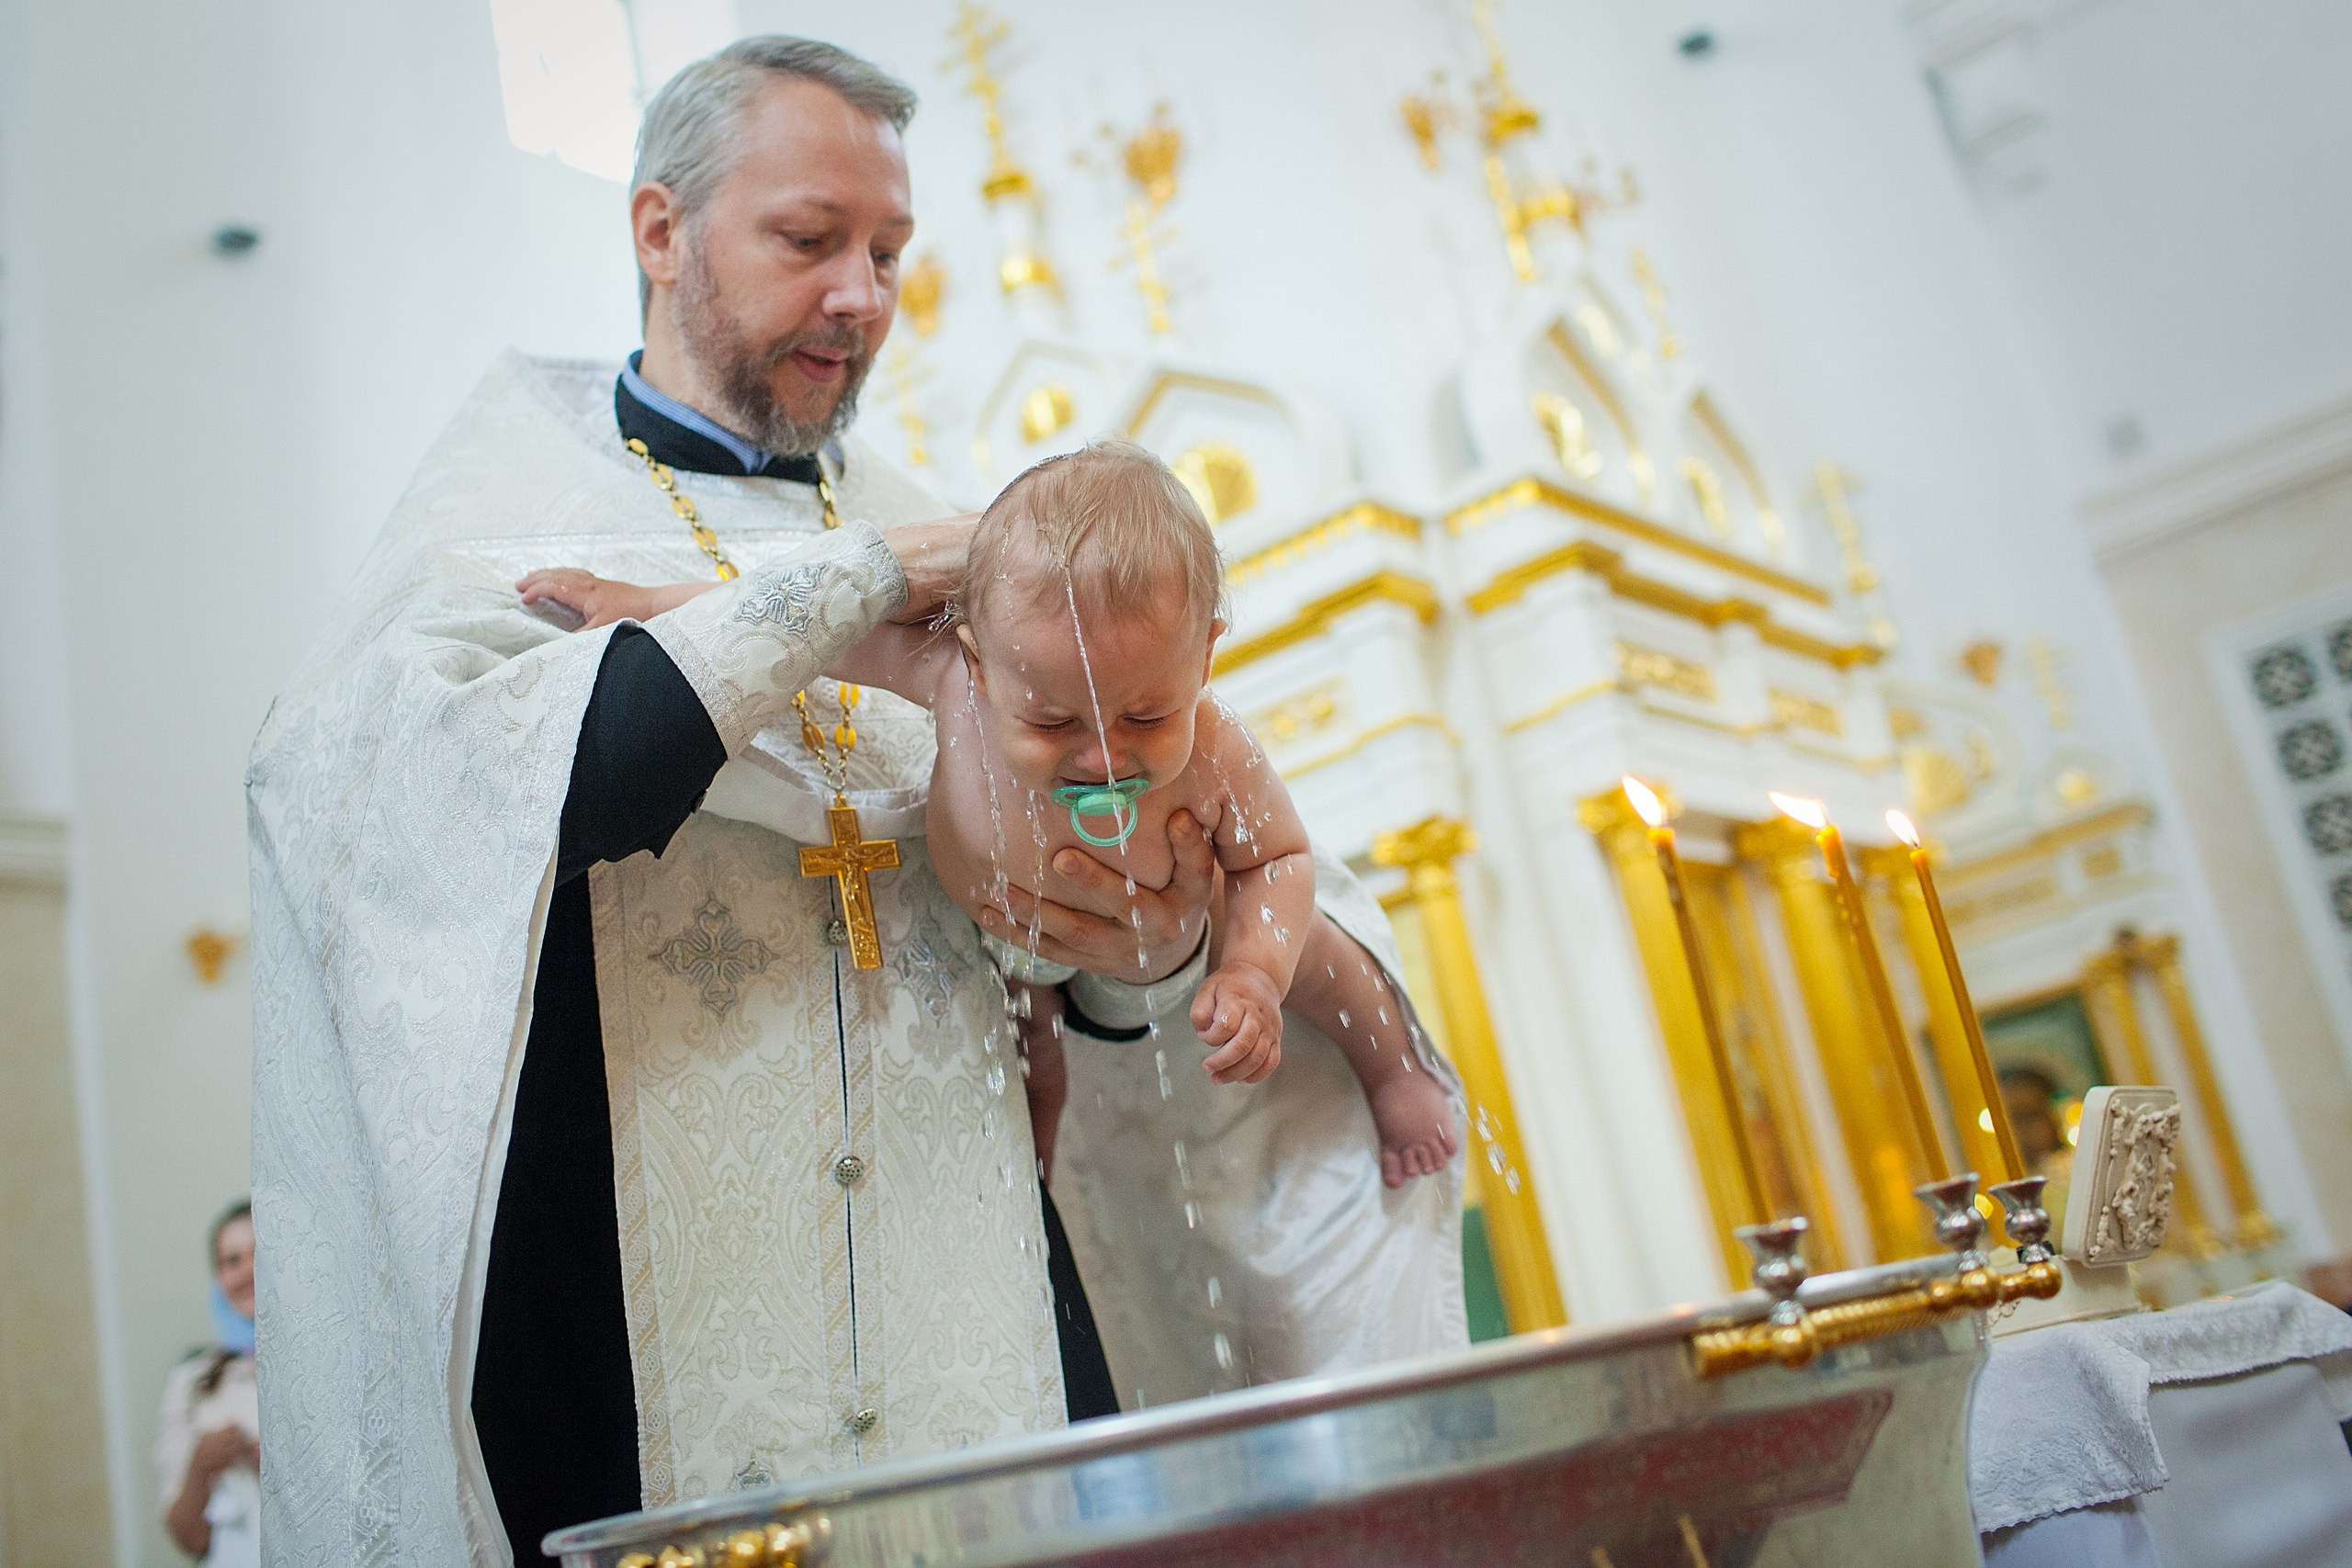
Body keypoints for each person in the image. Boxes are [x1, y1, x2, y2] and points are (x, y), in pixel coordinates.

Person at [248, 36, 1463, 1568]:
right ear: (660, 230)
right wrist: (867, 576)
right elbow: (500, 804)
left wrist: (1146, 946)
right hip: (632, 1343)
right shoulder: (499, 524)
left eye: (889, 250)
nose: (864, 295)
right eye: (810, 240)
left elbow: (1123, 899)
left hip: (989, 1337)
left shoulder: (969, 533)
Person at [522, 440, 1461, 1187]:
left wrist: (1255, 970)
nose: (1103, 756)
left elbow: (1279, 861)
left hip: (1184, 913)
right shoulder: (945, 675)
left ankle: (1393, 1070)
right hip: (1006, 947)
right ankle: (1037, 1171)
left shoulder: (1213, 746)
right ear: (972, 652)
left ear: (1205, 657)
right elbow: (779, 631)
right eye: (1050, 718)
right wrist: (645, 607)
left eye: (1146, 713)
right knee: (1028, 1062)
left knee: (1318, 954)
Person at [158, 1201, 260, 1566]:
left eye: (259, 1252)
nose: (248, 1271)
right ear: (218, 1278)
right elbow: (191, 1539)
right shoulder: (192, 1381)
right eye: (232, 1261)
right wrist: (202, 1463)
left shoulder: (328, 1365)